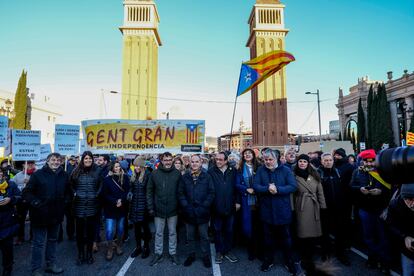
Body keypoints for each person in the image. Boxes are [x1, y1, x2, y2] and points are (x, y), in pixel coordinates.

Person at [253, 149, 303, 275]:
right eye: (265, 160)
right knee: (268, 239)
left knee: (286, 238)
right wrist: (267, 188)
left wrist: (278, 189)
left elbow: (293, 186)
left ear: (277, 159)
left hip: (282, 210)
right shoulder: (260, 170)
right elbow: (256, 185)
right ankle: (268, 260)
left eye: (270, 159)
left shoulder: (286, 170)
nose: (268, 162)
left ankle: (289, 261)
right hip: (266, 211)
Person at [23, 153, 71, 276]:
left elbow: (68, 192)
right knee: (38, 243)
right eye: (53, 160)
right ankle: (36, 269)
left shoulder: (64, 175)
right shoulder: (37, 175)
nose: (56, 162)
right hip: (40, 215)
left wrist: (65, 202)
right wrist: (36, 202)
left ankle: (51, 264)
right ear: (47, 161)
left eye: (58, 160)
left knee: (52, 240)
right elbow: (27, 192)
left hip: (56, 215)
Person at [350, 149, 392, 274]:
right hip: (365, 210)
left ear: (375, 160)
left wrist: (381, 192)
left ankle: (385, 262)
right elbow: (351, 186)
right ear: (362, 161)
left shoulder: (383, 171)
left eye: (372, 161)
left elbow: (393, 189)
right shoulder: (357, 172)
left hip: (381, 210)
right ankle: (372, 259)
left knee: (383, 238)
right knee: (368, 237)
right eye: (366, 161)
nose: (369, 164)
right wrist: (360, 189)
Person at [179, 155, 215, 268]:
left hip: (202, 212)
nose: (194, 164)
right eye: (192, 162)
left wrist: (204, 206)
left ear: (201, 162)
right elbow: (180, 193)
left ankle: (205, 256)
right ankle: (191, 255)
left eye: (197, 162)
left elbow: (211, 193)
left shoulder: (207, 176)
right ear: (189, 163)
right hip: (189, 212)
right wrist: (186, 206)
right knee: (190, 236)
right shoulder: (185, 177)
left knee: (204, 236)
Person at [293, 154, 326, 274]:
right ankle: (304, 257)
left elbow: (320, 192)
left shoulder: (315, 175)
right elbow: (292, 195)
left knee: (313, 234)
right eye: (300, 161)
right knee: (302, 233)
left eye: (304, 161)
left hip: (314, 206)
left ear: (308, 163)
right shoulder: (293, 176)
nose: (302, 163)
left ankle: (310, 255)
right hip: (301, 206)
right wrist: (292, 209)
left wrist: (323, 206)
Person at [147, 152, 181, 266]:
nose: (168, 162)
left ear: (172, 160)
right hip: (158, 209)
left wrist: (179, 206)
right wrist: (151, 207)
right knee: (159, 233)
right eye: (165, 160)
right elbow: (149, 191)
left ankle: (173, 253)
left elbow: (180, 192)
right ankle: (158, 253)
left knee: (172, 233)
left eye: (169, 159)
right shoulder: (155, 173)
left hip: (173, 209)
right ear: (161, 160)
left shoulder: (177, 173)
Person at [318, 153, 351, 265]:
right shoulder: (318, 173)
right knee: (325, 232)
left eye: (330, 160)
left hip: (339, 207)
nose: (328, 162)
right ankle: (326, 253)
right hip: (324, 208)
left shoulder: (338, 172)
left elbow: (344, 188)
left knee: (340, 231)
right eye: (326, 160)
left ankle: (340, 253)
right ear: (322, 161)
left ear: (333, 161)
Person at [70, 151, 102, 266]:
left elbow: (100, 185)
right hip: (79, 207)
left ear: (92, 159)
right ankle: (80, 255)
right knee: (79, 234)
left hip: (92, 207)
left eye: (90, 158)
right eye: (86, 158)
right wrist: (75, 194)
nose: (88, 160)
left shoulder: (97, 171)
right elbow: (71, 186)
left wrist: (96, 195)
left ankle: (89, 255)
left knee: (90, 234)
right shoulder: (75, 171)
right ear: (83, 159)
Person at [209, 151, 239, 264]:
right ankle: (219, 251)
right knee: (217, 230)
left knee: (229, 230)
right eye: (216, 159)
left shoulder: (233, 171)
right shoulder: (211, 171)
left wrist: (237, 202)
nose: (218, 161)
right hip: (216, 207)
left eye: (220, 160)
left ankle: (228, 250)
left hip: (231, 207)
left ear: (226, 161)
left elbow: (237, 188)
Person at [235, 148, 261, 260]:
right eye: (245, 154)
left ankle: (259, 250)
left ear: (253, 155)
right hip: (247, 201)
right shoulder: (239, 169)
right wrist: (246, 189)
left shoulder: (259, 167)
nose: (247, 155)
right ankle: (251, 250)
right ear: (243, 156)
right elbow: (236, 184)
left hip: (259, 200)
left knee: (259, 226)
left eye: (249, 153)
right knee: (248, 227)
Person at [102, 161, 130, 261]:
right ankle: (110, 248)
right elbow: (105, 194)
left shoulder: (125, 177)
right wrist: (115, 201)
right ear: (112, 168)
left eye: (119, 166)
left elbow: (127, 191)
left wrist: (121, 200)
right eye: (116, 167)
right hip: (110, 208)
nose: (118, 168)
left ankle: (118, 245)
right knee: (109, 230)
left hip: (122, 208)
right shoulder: (107, 179)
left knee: (120, 229)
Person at [386, 183, 414, 276]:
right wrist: (405, 236)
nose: (413, 203)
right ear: (403, 197)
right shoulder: (395, 205)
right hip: (408, 252)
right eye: (409, 199)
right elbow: (390, 224)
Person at [129, 157, 151, 259]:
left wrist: (149, 206)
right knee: (136, 228)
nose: (136, 167)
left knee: (145, 228)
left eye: (138, 165)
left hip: (144, 206)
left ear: (142, 166)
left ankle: (146, 247)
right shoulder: (133, 176)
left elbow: (150, 192)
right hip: (134, 206)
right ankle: (138, 247)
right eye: (135, 165)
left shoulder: (147, 175)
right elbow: (131, 189)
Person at [0, 169, 21, 276]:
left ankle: (7, 268)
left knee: (7, 248)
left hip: (7, 221)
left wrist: (11, 199)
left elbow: (20, 197)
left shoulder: (11, 184)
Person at [10, 160, 36, 245]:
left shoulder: (38, 175)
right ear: (23, 165)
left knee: (34, 219)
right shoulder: (18, 176)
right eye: (28, 163)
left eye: (32, 163)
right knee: (20, 220)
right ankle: (20, 237)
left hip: (34, 200)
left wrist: (30, 183)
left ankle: (33, 237)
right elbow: (12, 187)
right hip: (22, 201)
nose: (30, 165)